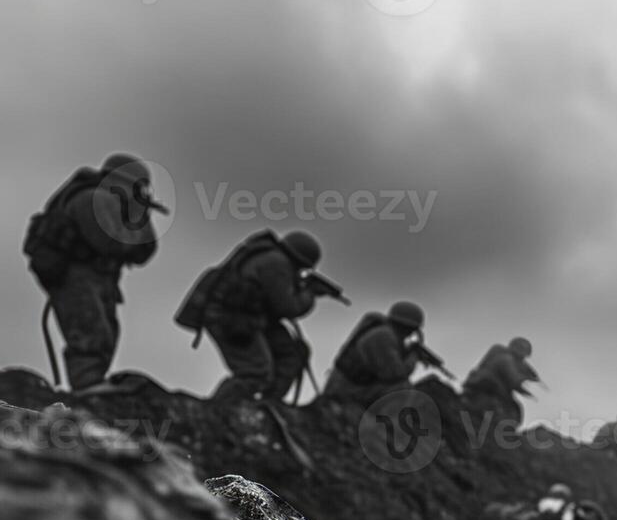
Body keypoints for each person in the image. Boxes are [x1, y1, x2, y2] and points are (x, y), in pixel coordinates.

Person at [25, 154, 163, 392]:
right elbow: (108, 242)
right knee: (89, 328)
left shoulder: (121, 207)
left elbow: (145, 252)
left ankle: (94, 383)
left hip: (102, 279)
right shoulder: (91, 199)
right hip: (75, 275)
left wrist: (140, 213)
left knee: (107, 331)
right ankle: (87, 385)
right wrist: (135, 218)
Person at [182, 230, 323, 402]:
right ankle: (216, 412)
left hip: (246, 317)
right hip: (231, 319)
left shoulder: (273, 258)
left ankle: (268, 405)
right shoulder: (277, 263)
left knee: (293, 353)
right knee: (255, 373)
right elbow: (287, 307)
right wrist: (309, 295)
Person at [323, 301, 427, 402]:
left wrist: (407, 352)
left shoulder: (384, 333)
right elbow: (396, 374)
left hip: (350, 384)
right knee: (403, 388)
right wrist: (414, 357)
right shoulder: (384, 336)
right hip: (347, 388)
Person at [463, 337, 539, 428]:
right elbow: (513, 380)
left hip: (489, 390)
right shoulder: (506, 359)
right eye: (523, 355)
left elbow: (516, 375)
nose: (523, 358)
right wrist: (527, 381)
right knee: (510, 411)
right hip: (488, 390)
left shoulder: (504, 357)